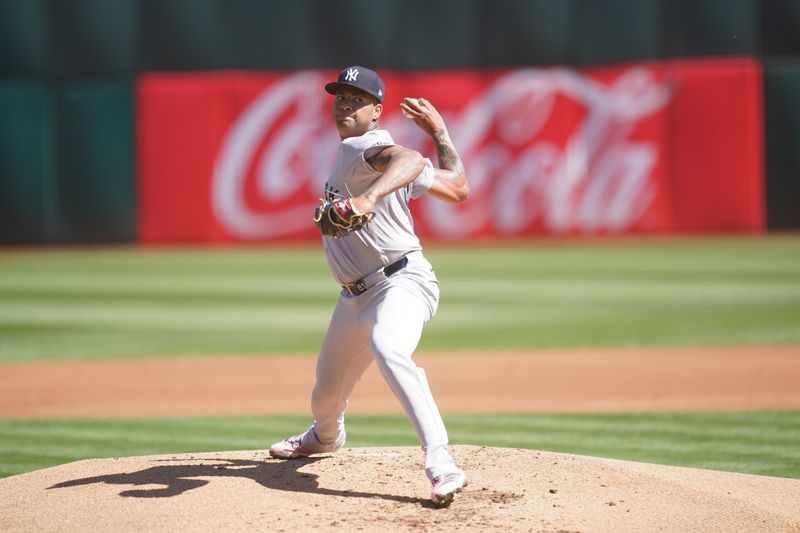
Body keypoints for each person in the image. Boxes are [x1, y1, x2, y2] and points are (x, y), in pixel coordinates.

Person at [269, 66, 470, 507]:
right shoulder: (353, 151)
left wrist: (367, 198)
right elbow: (457, 188)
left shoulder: (370, 146)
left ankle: (441, 462)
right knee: (324, 398)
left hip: (403, 282)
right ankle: (324, 438)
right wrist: (440, 132)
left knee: (388, 346)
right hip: (354, 298)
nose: (345, 103)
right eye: (340, 95)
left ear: (376, 111)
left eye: (357, 98)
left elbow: (410, 160)